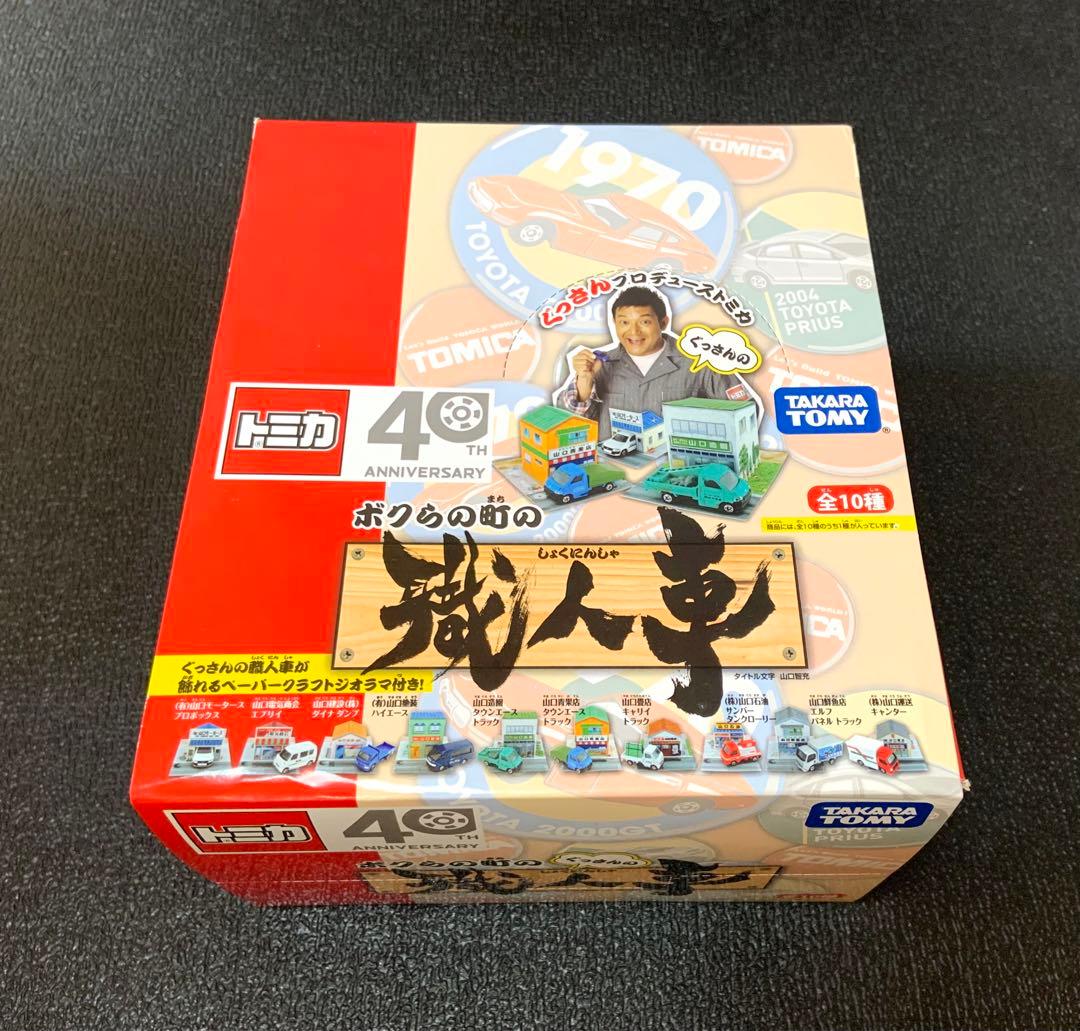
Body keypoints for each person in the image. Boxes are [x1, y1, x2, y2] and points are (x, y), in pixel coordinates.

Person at [555, 285, 755, 440]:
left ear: (663, 322)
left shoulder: (701, 362)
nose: (633, 332)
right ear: (614, 323)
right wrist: (584, 380)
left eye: (644, 322)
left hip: (680, 471)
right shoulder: (599, 365)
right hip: (615, 471)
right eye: (624, 322)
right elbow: (567, 427)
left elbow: (746, 412)